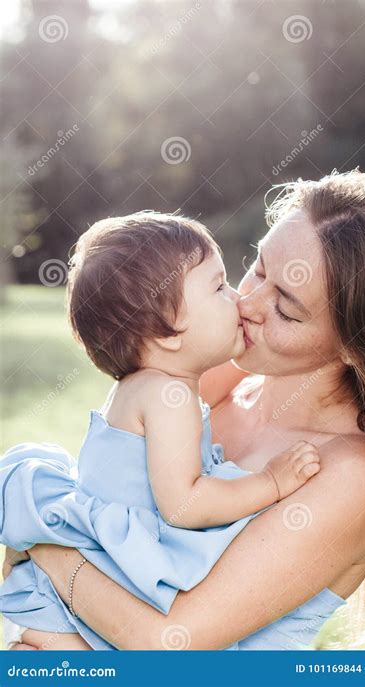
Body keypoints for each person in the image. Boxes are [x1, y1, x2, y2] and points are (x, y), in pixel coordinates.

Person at [3, 170, 365, 650]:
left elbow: (166, 643)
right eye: (259, 269)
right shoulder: (223, 377)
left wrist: (43, 540)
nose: (247, 303)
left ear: (358, 345)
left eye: (287, 310)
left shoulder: (352, 476)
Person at [0, 212, 320, 650]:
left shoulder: (143, 388)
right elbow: (185, 504)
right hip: (82, 618)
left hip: (65, 606)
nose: (239, 300)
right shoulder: (170, 398)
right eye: (218, 287)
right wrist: (271, 482)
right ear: (168, 333)